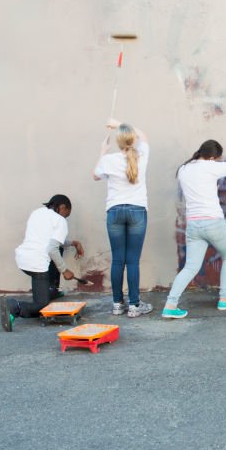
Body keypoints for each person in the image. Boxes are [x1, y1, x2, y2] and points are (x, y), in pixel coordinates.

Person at [161, 140, 226, 319]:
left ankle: (170, 305)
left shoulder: (184, 169)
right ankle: (225, 299)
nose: (217, 161)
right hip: (213, 222)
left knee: (190, 267)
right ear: (211, 157)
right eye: (217, 158)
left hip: (193, 225)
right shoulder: (210, 166)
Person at [94, 120, 152, 317]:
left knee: (118, 260)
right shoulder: (141, 155)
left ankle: (117, 304)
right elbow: (144, 136)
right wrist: (120, 123)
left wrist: (103, 150)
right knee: (133, 260)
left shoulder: (109, 159)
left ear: (118, 142)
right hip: (137, 211)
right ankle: (134, 305)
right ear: (132, 139)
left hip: (115, 211)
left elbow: (95, 176)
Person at [1, 195, 84, 331]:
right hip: (37, 265)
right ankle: (14, 307)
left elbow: (49, 239)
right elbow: (52, 248)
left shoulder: (37, 213)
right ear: (62, 207)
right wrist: (64, 270)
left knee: (58, 249)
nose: (65, 218)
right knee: (42, 306)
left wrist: (73, 243)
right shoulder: (60, 221)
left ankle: (52, 290)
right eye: (66, 214)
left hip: (23, 259)